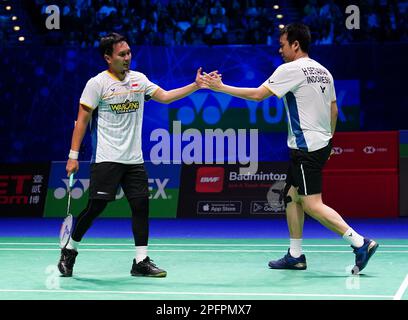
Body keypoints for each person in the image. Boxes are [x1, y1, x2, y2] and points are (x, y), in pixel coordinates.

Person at [203, 23, 378, 274]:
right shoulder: (324, 71)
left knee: (312, 204)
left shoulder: (291, 69)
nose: (279, 50)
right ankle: (295, 255)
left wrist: (221, 88)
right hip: (318, 144)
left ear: (296, 45)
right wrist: (329, 141)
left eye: (283, 45)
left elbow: (257, 95)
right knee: (291, 196)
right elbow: (334, 110)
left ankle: (360, 243)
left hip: (305, 147)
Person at [58, 32, 209, 277]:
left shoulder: (139, 80)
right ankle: (70, 250)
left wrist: (195, 85)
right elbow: (82, 121)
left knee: (141, 206)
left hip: (134, 160)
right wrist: (73, 155)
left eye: (129, 53)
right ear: (108, 58)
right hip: (106, 158)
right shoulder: (97, 84)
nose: (128, 57)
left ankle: (140, 261)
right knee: (96, 207)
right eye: (122, 54)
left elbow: (166, 97)